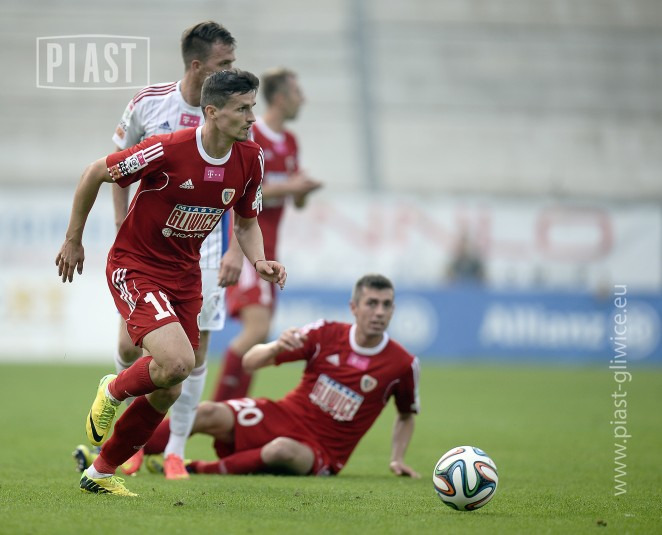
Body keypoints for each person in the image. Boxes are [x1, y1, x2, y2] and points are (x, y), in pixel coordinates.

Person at [56, 69, 287, 497]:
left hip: (185, 276)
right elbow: (93, 173)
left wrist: (259, 261)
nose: (252, 117)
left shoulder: (251, 158)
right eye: (242, 109)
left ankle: (101, 472)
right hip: (136, 266)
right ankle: (113, 389)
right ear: (212, 112)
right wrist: (74, 239)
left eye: (252, 107)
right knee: (178, 363)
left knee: (170, 387)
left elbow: (246, 222)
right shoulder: (167, 149)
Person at [74, 274, 420, 478]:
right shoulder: (327, 333)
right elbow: (251, 362)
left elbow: (407, 414)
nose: (379, 312)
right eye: (372, 303)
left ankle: (196, 467)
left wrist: (396, 458)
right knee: (205, 412)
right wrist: (275, 347)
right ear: (354, 307)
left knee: (281, 450)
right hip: (283, 414)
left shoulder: (401, 364)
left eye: (386, 305)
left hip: (324, 450)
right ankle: (112, 454)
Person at [110, 21, 245, 479]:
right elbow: (116, 166)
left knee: (195, 353)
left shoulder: (233, 110)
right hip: (147, 246)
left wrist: (235, 251)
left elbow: (243, 185)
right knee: (129, 347)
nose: (232, 69)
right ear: (197, 65)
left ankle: (174, 450)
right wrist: (119, 223)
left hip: (203, 247)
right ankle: (123, 435)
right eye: (224, 63)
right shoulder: (149, 103)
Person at [212, 67, 322, 402]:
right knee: (257, 329)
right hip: (246, 241)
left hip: (270, 246)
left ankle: (231, 410)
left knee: (260, 334)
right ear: (281, 98)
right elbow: (242, 189)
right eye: (297, 93)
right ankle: (217, 409)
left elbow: (295, 201)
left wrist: (301, 190)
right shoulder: (251, 132)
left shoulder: (290, 142)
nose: (303, 99)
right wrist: (290, 186)